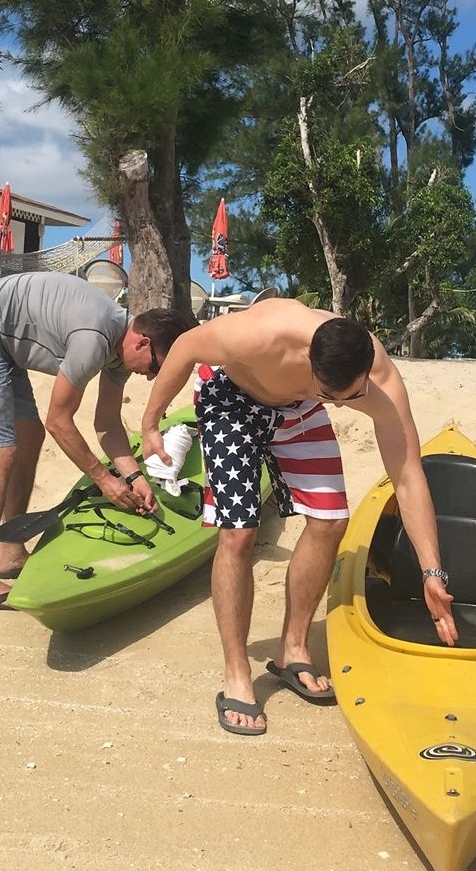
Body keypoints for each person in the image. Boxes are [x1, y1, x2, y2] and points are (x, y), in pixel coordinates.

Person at [141, 301, 457, 736]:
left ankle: (293, 649)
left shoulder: (377, 378)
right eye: (334, 397)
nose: (345, 408)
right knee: (239, 532)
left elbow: (406, 473)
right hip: (232, 401)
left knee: (330, 520)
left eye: (353, 397)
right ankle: (236, 672)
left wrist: (431, 570)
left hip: (297, 407)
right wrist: (149, 423)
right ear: (309, 360)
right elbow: (185, 347)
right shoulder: (261, 335)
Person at [0, 271, 187, 610]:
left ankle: (9, 553)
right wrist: (104, 481)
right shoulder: (95, 337)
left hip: (2, 345)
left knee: (28, 436)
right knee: (1, 449)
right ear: (142, 342)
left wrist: (133, 477)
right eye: (155, 366)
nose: (150, 377)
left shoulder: (120, 349)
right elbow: (60, 421)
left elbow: (107, 423)